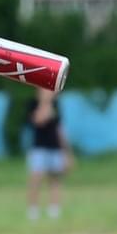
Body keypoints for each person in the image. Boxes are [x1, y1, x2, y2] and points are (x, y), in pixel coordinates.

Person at [25, 88, 72, 220]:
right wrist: (45, 103)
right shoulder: (33, 104)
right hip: (39, 148)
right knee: (35, 179)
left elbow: (60, 129)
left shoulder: (56, 105)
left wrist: (66, 152)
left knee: (55, 180)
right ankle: (33, 211)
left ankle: (54, 210)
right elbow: (38, 120)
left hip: (55, 148)